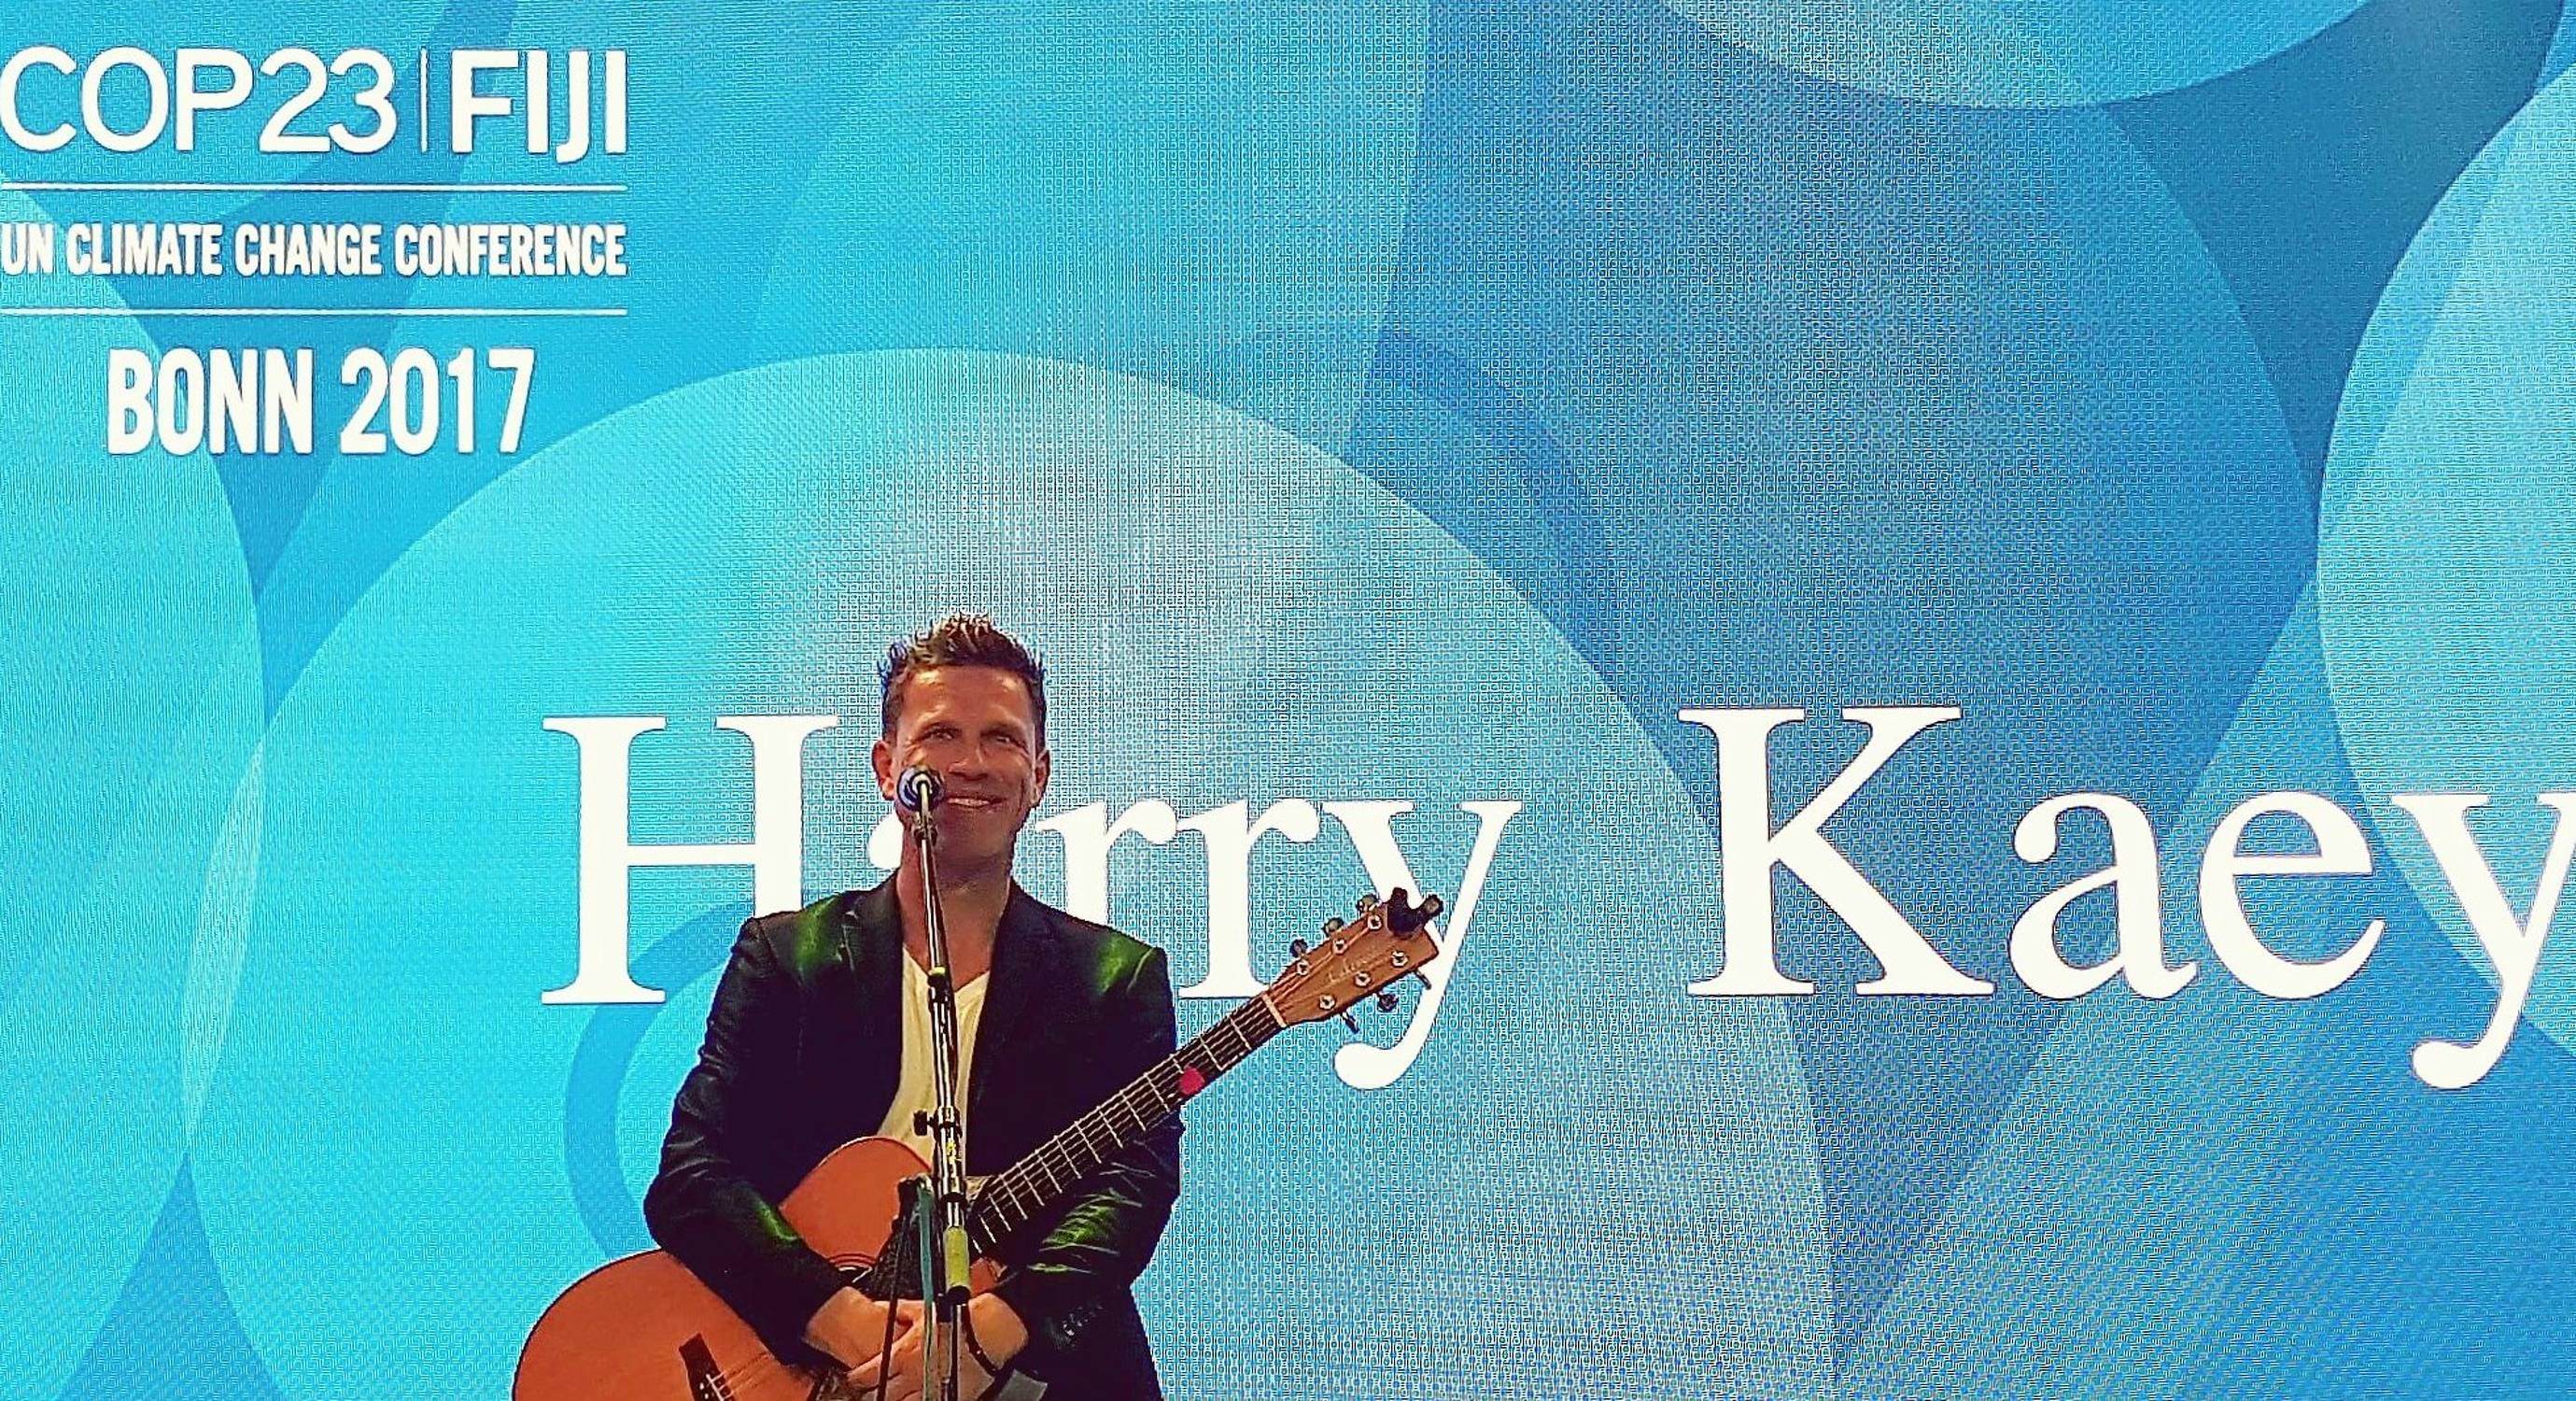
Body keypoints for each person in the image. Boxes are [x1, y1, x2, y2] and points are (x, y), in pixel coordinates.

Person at [643, 614, 1182, 1401]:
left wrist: (999, 1324)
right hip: (800, 1365)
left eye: (1001, 739)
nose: (970, 763)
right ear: (887, 766)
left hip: (1040, 1372)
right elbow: (693, 1174)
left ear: (1039, 776)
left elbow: (1133, 1184)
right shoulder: (789, 957)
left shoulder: (1112, 978)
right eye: (940, 735)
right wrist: (834, 1316)